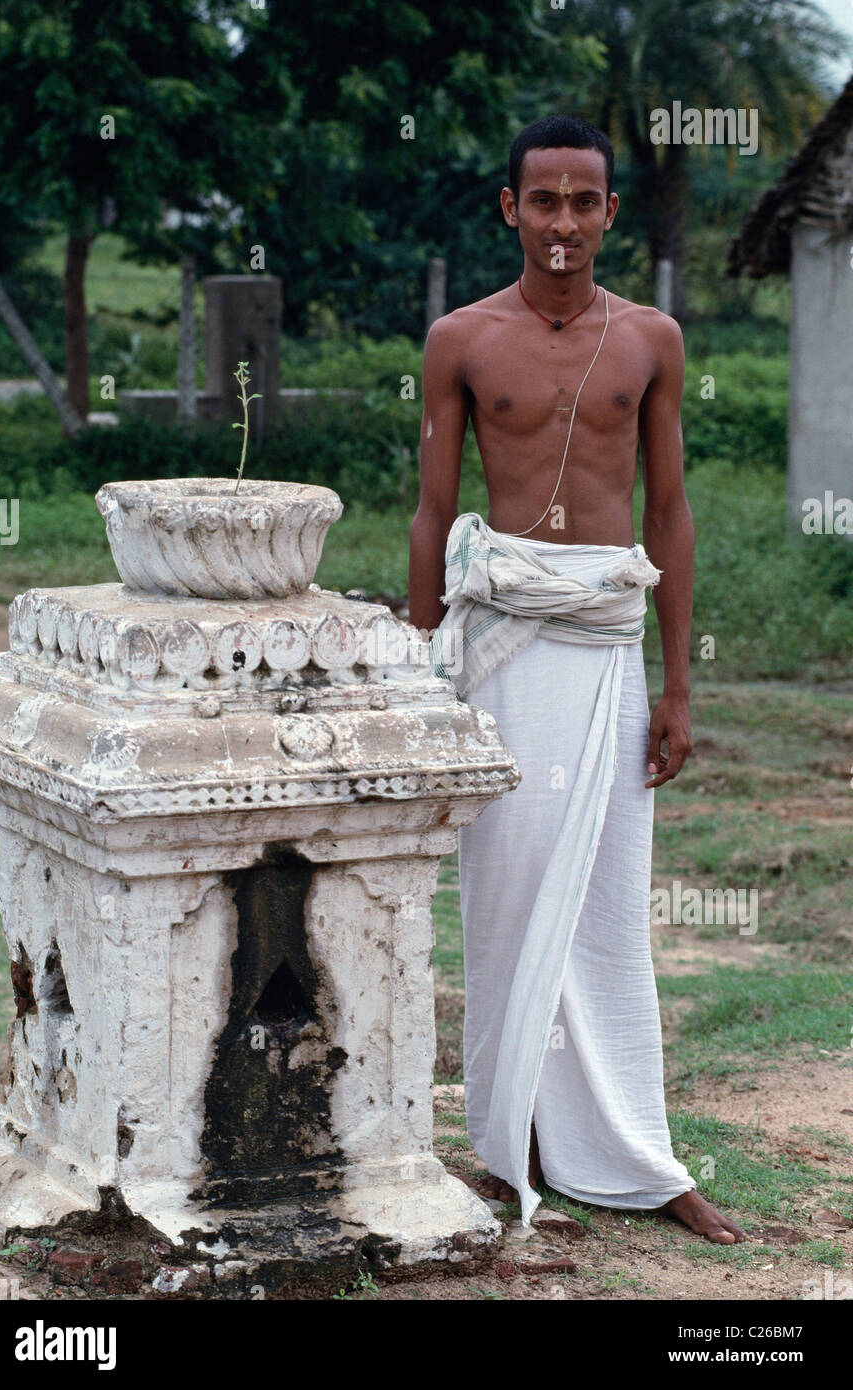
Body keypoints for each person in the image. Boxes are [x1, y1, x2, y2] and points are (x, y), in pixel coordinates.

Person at [408, 113, 746, 1244]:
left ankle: (638, 1160)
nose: (562, 221)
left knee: (603, 908)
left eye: (583, 201)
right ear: (510, 209)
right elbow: (433, 510)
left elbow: (670, 512)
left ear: (609, 212)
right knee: (506, 904)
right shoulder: (460, 339)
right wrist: (419, 676)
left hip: (605, 646)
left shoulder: (653, 339)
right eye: (541, 200)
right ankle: (510, 1152)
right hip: (501, 646)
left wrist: (679, 688)